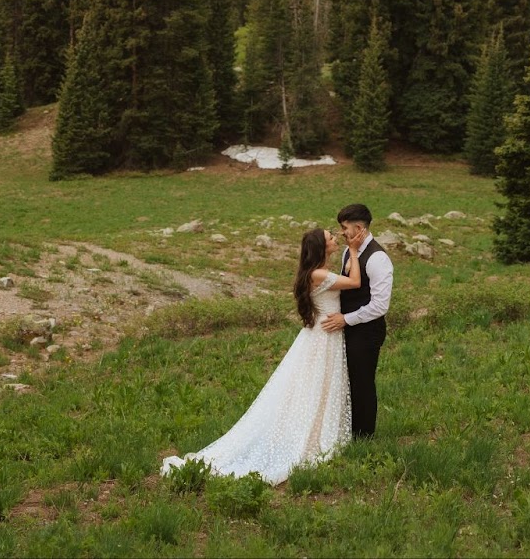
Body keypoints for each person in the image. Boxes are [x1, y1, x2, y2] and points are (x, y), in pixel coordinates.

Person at [159, 226, 361, 485]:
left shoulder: (317, 272)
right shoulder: (319, 274)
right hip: (324, 335)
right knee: (316, 383)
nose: (335, 237)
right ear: (322, 248)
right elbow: (355, 282)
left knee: (317, 384)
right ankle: (310, 434)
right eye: (330, 237)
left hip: (323, 333)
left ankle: (314, 427)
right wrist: (353, 251)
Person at [320, 203, 393, 438]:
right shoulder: (348, 252)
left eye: (344, 227)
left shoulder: (378, 258)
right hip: (349, 326)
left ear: (359, 228)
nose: (342, 232)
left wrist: (346, 319)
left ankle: (364, 436)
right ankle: (348, 430)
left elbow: (380, 305)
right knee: (348, 380)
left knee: (362, 382)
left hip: (367, 330)